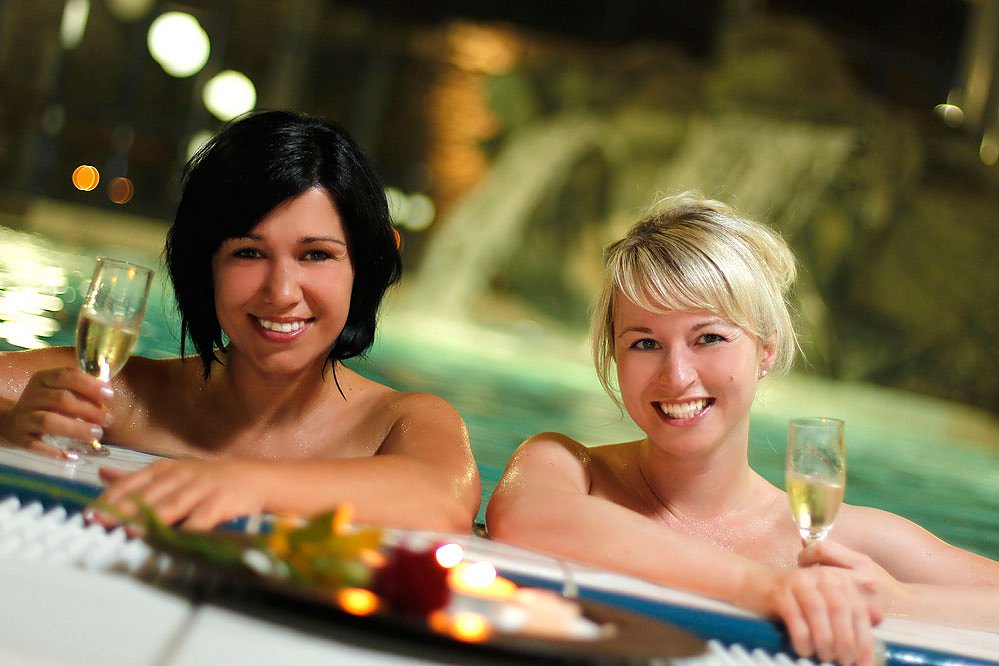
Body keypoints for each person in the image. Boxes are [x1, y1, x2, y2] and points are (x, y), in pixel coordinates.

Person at [486, 194, 999, 665]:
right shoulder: (566, 466)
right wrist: (767, 588)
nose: (676, 376)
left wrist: (898, 600)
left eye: (708, 337)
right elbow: (525, 518)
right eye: (645, 343)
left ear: (766, 349)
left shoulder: (841, 541)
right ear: (614, 355)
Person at [0, 110, 480, 532]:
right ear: (206, 267)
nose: (282, 292)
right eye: (249, 253)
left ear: (362, 268)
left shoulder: (397, 423)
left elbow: (443, 498)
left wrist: (249, 482)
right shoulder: (121, 397)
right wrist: (12, 421)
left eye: (316, 254)